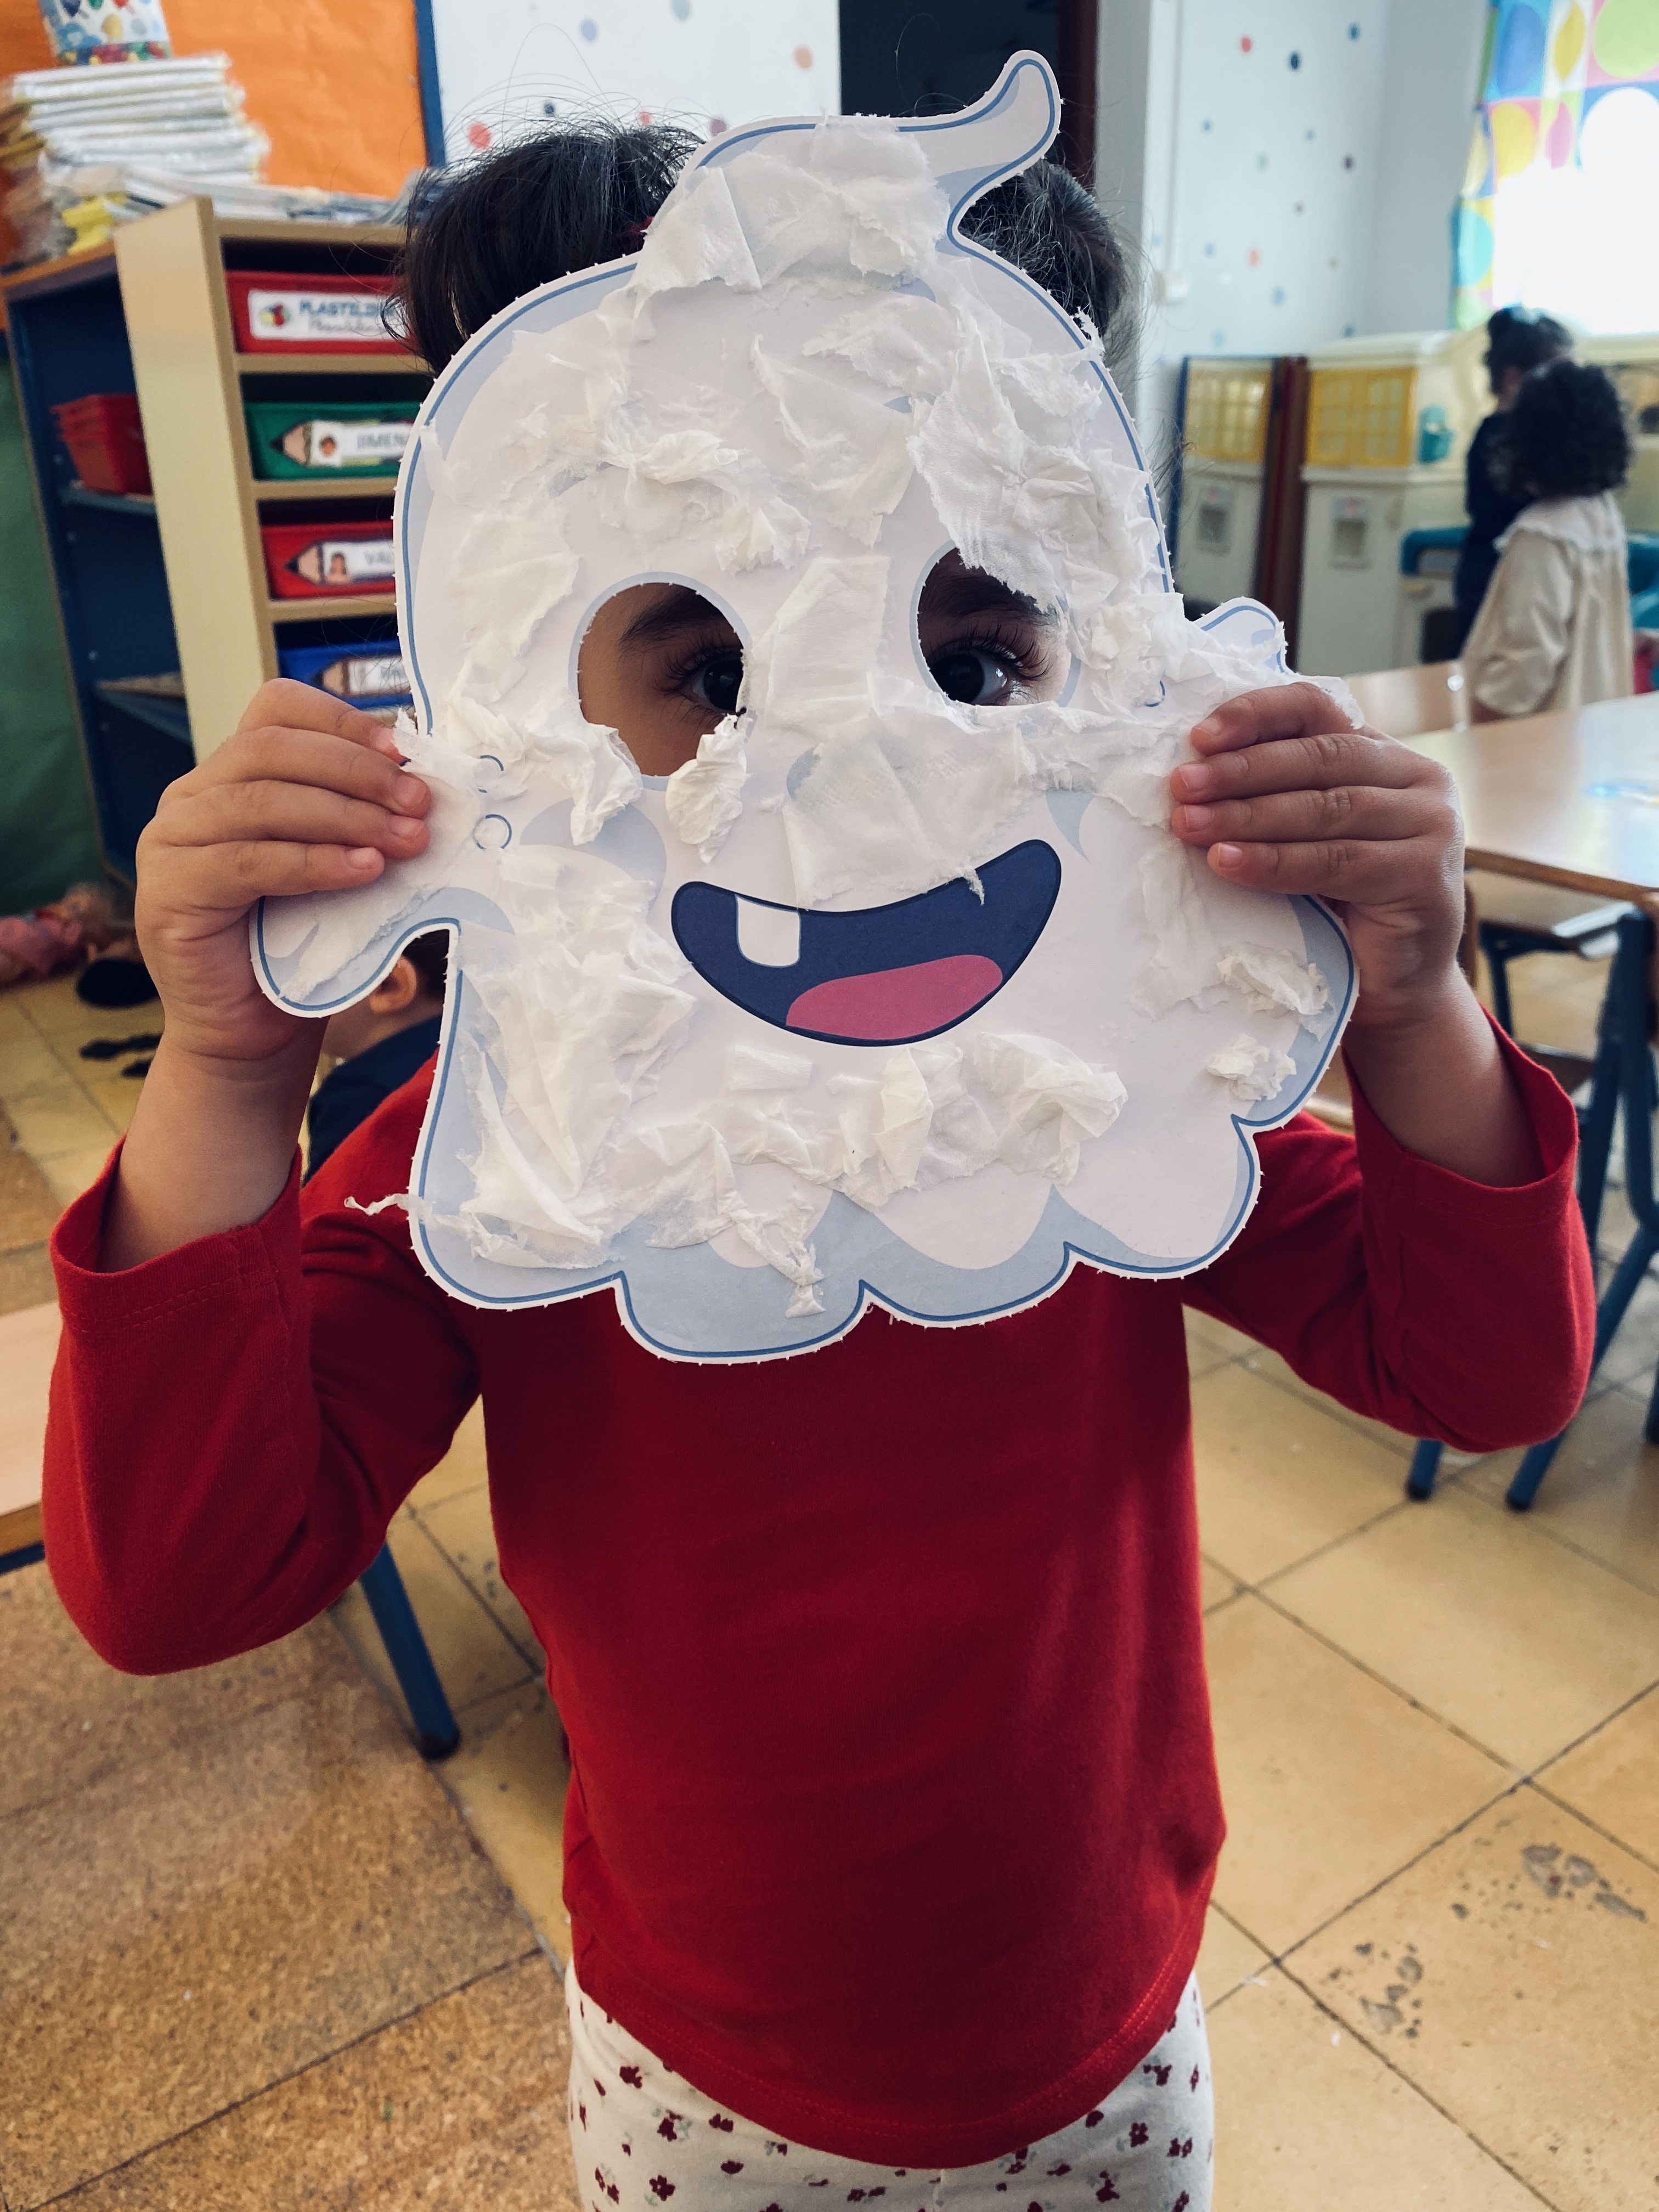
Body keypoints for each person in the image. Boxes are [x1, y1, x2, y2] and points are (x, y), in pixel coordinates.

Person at [42, 123, 1593, 2208]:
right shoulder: (502, 1166)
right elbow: (178, 1580)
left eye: (975, 661)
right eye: (711, 672)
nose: (862, 771)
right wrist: (233, 1070)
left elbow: (1484, 1372)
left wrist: (1411, 1008)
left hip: (1107, 2037)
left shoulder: (1088, 1098)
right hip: (706, 2090)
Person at [1462, 358, 1633, 722]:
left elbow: (1530, 656)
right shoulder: (1603, 515)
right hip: (1597, 722)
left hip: (1540, 732)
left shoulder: (1542, 535)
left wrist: (1482, 719)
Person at [1451, 306, 1571, 654]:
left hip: (1507, 566)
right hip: (1493, 570)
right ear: (1514, 379)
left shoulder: (1521, 434)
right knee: (1487, 659)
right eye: (1555, 378)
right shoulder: (1501, 436)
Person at [304, 930, 446, 1177]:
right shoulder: (489, 1053)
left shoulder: (360, 1092)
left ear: (387, 985)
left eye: (301, 978)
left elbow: (327, 1202)